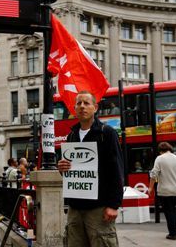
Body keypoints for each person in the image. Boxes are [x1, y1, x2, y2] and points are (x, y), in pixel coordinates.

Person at [57, 90, 124, 247]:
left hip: (98, 208)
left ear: (95, 107)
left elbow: (117, 170)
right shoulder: (71, 136)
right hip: (75, 209)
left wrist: (114, 205)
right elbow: (70, 171)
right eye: (79, 103)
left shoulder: (106, 133)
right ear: (74, 108)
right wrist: (62, 167)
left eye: (86, 103)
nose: (82, 106)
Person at [148, 142, 176, 240]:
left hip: (164, 190)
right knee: (173, 210)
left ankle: (173, 233)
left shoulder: (159, 159)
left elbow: (154, 175)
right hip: (175, 190)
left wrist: (150, 188)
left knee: (168, 212)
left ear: (160, 150)